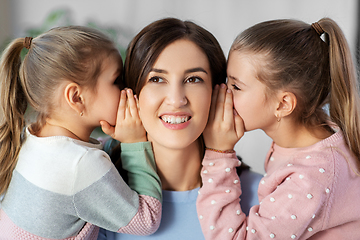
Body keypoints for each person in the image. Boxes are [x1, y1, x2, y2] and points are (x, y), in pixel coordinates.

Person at [98, 18, 262, 240]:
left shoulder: (265, 198)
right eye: (156, 79)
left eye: (193, 79)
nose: (176, 100)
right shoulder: (97, 190)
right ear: (132, 93)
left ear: (219, 93)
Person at [196, 17, 360, 239]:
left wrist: (218, 154)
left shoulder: (311, 177)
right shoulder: (310, 138)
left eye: (236, 86)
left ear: (283, 104)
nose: (224, 92)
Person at [0, 26, 162, 239]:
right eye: (116, 80)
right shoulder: (82, 164)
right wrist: (134, 143)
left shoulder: (31, 136)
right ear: (76, 97)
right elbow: (146, 220)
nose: (128, 89)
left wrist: (116, 139)